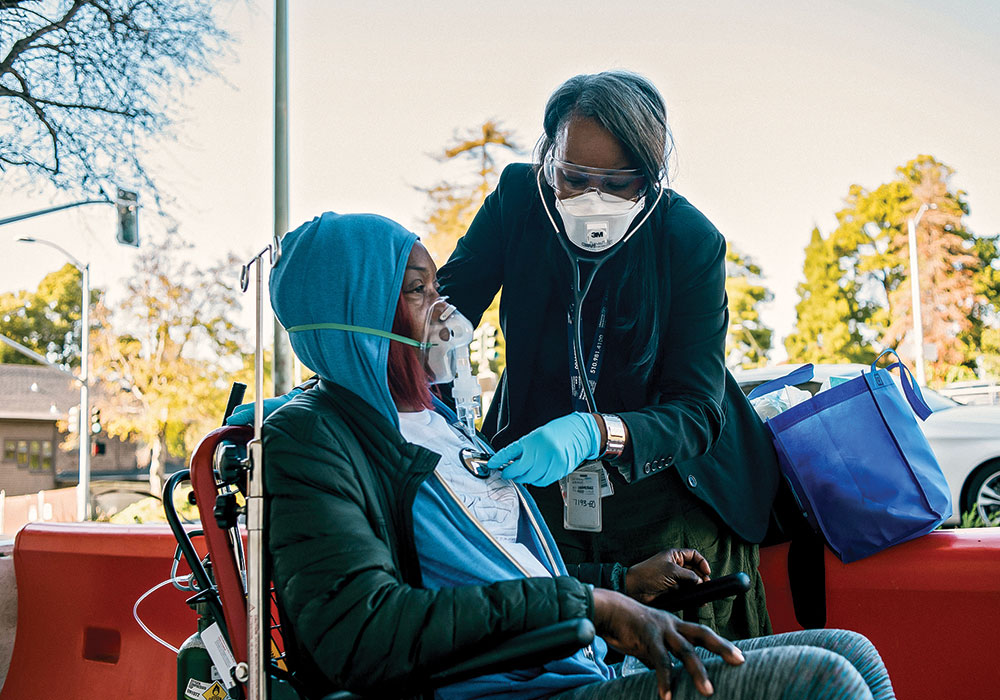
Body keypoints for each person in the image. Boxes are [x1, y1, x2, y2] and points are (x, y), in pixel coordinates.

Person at [261, 211, 894, 699]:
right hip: (514, 687)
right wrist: (590, 605)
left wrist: (620, 583)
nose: (444, 312)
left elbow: (496, 577)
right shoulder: (315, 438)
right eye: (420, 291)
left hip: (567, 659)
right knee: (821, 683)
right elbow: (363, 632)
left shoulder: (436, 424)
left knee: (852, 652)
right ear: (358, 308)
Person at [437, 71, 778, 640]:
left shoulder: (688, 240)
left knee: (674, 649)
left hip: (672, 487)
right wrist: (415, 355)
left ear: (650, 176)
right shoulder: (520, 201)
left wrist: (595, 433)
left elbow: (698, 411)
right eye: (573, 177)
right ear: (549, 159)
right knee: (555, 632)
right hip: (542, 476)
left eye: (619, 183)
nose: (593, 198)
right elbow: (447, 304)